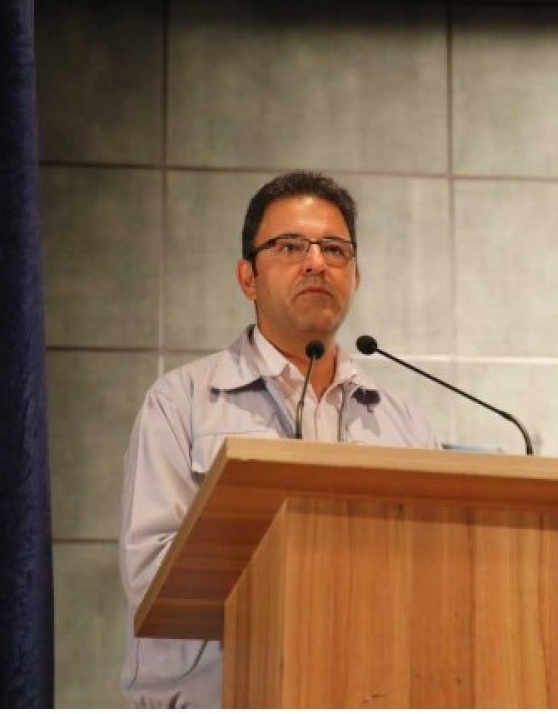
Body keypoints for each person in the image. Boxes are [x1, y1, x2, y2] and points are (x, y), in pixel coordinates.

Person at [118, 171, 440, 707]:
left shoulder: (402, 421)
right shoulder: (180, 403)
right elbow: (151, 576)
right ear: (248, 277)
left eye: (335, 249)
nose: (316, 263)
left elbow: (437, 575)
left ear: (356, 275)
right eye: (290, 246)